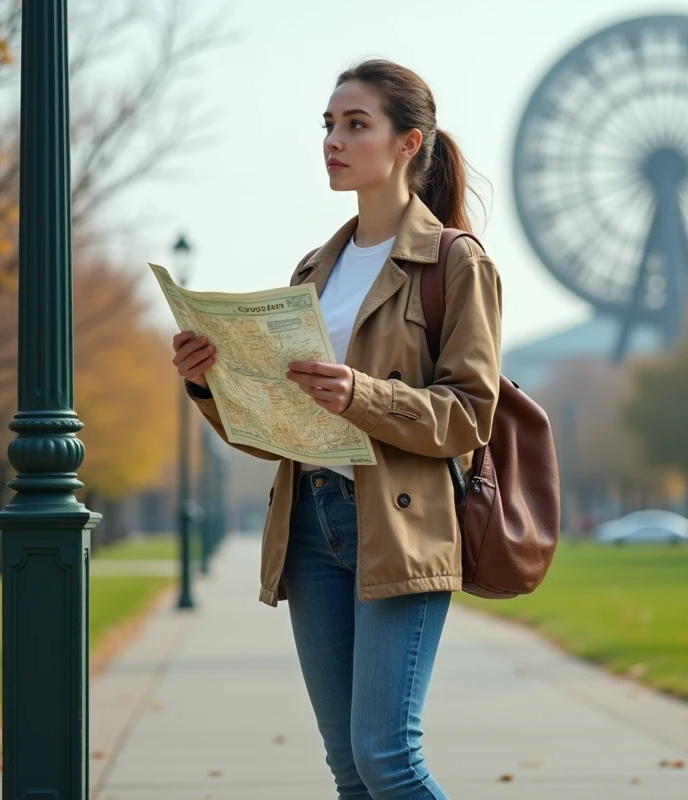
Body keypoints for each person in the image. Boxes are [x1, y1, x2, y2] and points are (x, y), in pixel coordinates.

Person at [170, 59, 502, 800]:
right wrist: (208, 384)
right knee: (349, 770)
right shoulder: (313, 271)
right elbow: (276, 432)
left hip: (401, 525)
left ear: (408, 143)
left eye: (356, 125)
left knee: (386, 758)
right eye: (328, 125)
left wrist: (361, 395)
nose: (334, 140)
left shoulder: (454, 262)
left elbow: (469, 414)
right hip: (311, 527)